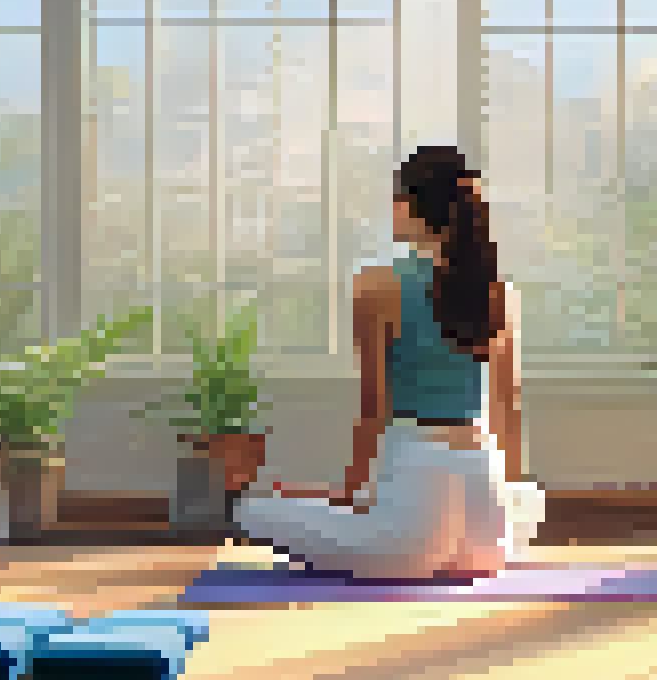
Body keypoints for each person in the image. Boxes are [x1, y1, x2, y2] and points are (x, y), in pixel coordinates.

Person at [232, 146, 545, 579]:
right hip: (487, 535)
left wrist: (346, 495)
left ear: (409, 207)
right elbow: (508, 403)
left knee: (253, 509)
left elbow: (374, 406)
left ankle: (390, 524)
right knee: (523, 498)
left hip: (409, 537)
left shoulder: (376, 285)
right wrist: (506, 494)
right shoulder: (499, 292)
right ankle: (485, 531)